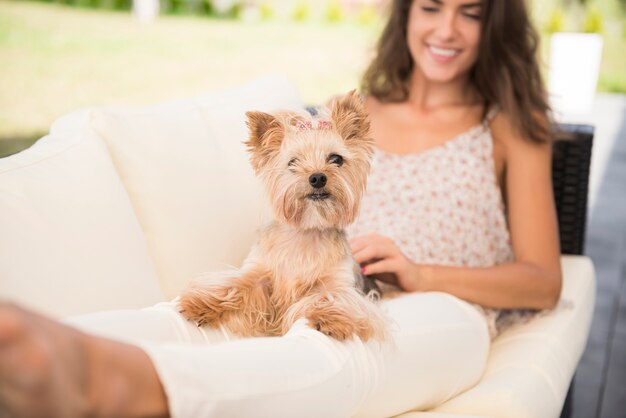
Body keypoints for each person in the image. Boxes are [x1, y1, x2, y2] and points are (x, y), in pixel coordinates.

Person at [0, 0, 561, 417]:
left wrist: (420, 273)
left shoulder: (512, 125)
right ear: (406, 16)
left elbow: (542, 282)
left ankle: (132, 387)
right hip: (319, 277)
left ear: (496, 24)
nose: (445, 28)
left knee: (339, 353)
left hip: (448, 308)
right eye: (431, 7)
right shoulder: (355, 115)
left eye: (471, 12)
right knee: (195, 318)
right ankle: (51, 344)